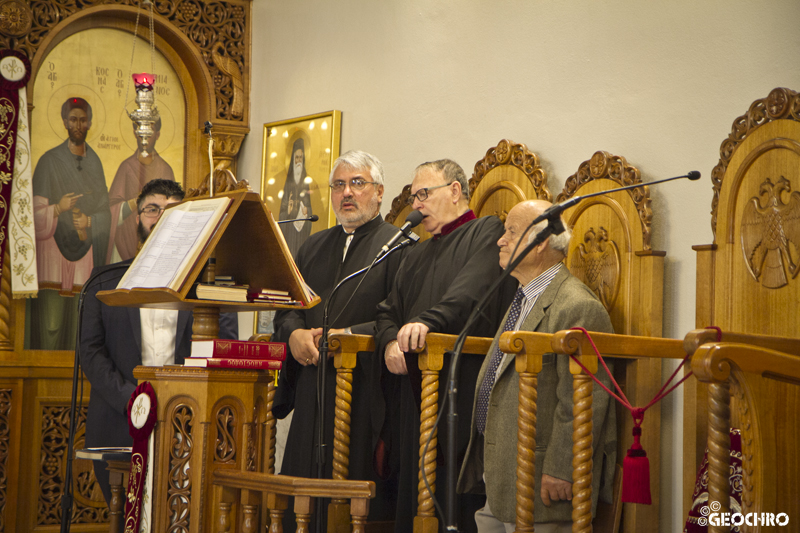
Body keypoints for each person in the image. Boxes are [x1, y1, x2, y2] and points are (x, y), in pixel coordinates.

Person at [457, 200, 616, 533]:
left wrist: (563, 466)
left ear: (541, 241)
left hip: (543, 485)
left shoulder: (578, 306)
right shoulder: (521, 298)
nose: (500, 241)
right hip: (501, 478)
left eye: (511, 232)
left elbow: (582, 401)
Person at [375, 159, 516, 533]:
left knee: (453, 497)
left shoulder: (486, 232)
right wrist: (391, 340)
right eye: (413, 196)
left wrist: (426, 323)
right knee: (414, 496)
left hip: (461, 385)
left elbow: (469, 295)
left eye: (424, 194)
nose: (416, 205)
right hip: (414, 390)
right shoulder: (415, 252)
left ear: (455, 191)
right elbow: (387, 311)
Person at [272, 150, 409, 527]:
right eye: (338, 185)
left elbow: (398, 318)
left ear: (379, 192)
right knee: (302, 499)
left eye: (357, 183)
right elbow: (287, 307)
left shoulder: (398, 246)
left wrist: (347, 335)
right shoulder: (313, 246)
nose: (346, 193)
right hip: (312, 388)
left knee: (352, 504)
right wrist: (295, 333)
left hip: (365, 392)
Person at [81, 179, 239, 506]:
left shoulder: (211, 288)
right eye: (152, 208)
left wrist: (180, 404)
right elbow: (91, 352)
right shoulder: (103, 281)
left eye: (172, 210)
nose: (160, 216)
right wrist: (133, 401)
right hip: (118, 423)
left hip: (189, 425)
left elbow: (222, 350)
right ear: (137, 218)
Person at [31, 97, 111, 349]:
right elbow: (30, 215)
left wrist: (90, 220)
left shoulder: (95, 163)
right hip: (53, 254)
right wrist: (57, 208)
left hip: (84, 252)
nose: (78, 124)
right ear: (65, 122)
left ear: (90, 123)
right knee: (52, 324)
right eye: (73, 119)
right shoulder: (49, 161)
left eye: (83, 120)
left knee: (80, 324)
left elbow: (105, 213)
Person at [106, 118, 176, 264]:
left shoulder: (165, 170)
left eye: (149, 133)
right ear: (134, 133)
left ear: (157, 134)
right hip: (124, 242)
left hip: (156, 245)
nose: (144, 140)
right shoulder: (126, 167)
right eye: (141, 133)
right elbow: (110, 211)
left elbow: (173, 211)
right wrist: (133, 203)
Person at [279, 138, 313, 256]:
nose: (299, 160)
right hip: (289, 232)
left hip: (301, 230)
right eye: (296, 157)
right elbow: (282, 212)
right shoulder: (288, 183)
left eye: (300, 157)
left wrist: (307, 211)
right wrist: (287, 211)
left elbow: (310, 207)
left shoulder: (307, 181)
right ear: (293, 159)